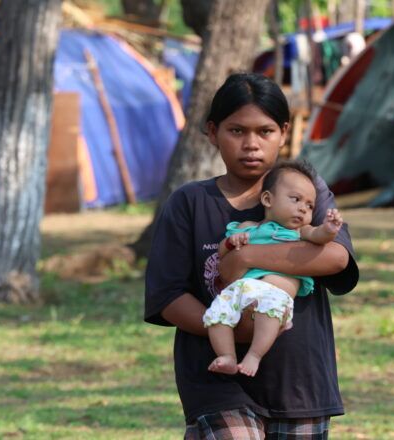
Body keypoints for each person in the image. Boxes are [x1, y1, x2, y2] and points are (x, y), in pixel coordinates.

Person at [144, 73, 359, 439]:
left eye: (265, 131)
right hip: (216, 378)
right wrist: (227, 327)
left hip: (299, 381)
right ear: (212, 132)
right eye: (237, 131)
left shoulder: (304, 190)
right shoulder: (189, 203)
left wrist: (247, 257)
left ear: (284, 133)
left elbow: (335, 258)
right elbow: (168, 296)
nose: (251, 144)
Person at [204, 160, 344, 377]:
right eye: (296, 199)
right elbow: (223, 250)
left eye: (310, 206)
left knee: (268, 313)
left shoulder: (300, 231)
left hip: (275, 293)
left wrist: (329, 230)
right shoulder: (248, 227)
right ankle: (227, 356)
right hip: (242, 289)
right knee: (217, 312)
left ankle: (254, 355)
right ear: (268, 199)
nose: (303, 208)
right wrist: (232, 242)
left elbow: (319, 236)